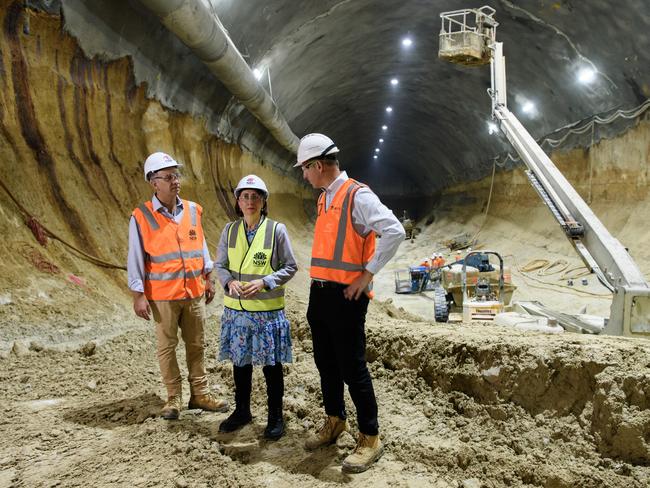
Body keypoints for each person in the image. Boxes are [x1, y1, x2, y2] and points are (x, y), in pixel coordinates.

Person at [294, 133, 405, 473]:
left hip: (347, 296)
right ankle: (334, 420)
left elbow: (395, 231)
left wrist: (367, 275)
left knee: (352, 368)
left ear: (317, 165)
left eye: (304, 169)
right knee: (326, 364)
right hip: (321, 292)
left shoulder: (357, 195)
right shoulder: (325, 198)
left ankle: (370, 437)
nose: (303, 175)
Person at [128, 152, 229, 420]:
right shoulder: (141, 217)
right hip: (163, 296)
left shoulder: (194, 210)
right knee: (167, 347)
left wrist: (208, 277)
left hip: (194, 292)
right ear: (154, 183)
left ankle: (200, 394)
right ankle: (173, 398)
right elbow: (135, 258)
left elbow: (201, 247)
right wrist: (138, 295)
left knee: (197, 344)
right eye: (168, 177)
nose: (175, 181)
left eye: (176, 175)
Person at [214, 175, 297, 440]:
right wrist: (228, 283)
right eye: (245, 196)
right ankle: (242, 411)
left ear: (263, 201)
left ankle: (275, 417)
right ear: (238, 201)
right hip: (237, 314)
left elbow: (290, 266)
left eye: (255, 196)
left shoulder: (276, 231)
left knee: (271, 367)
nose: (250, 201)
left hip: (267, 315)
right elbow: (220, 265)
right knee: (241, 364)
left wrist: (265, 281)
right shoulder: (229, 230)